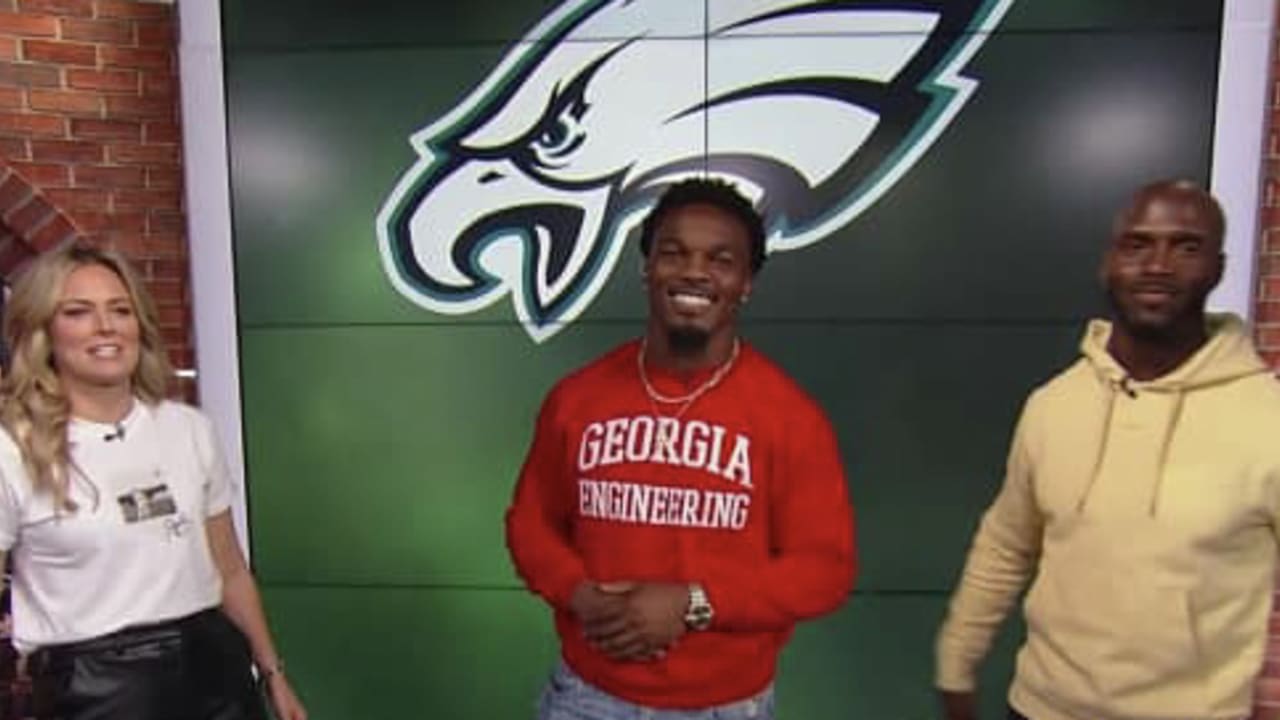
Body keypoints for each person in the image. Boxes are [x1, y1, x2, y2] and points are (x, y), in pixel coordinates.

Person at [506, 178, 856, 719]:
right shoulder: (577, 398)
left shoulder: (790, 417)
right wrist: (578, 594)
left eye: (720, 260)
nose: (695, 271)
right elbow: (530, 524)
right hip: (588, 697)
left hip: (725, 706)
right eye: (674, 253)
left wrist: (695, 602)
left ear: (745, 283)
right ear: (647, 269)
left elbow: (823, 570)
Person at [935, 180, 1280, 720]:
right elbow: (1006, 545)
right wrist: (955, 666)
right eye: (1138, 245)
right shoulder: (1054, 405)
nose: (1158, 265)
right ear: (1108, 263)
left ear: (1217, 268)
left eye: (1185, 247)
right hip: (1040, 709)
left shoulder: (1267, 418)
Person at [0, 244, 307, 720]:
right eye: (79, 312)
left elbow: (229, 570)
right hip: (94, 690)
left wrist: (273, 674)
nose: (106, 327)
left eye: (120, 311)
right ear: (44, 332)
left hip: (215, 671)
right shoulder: (12, 449)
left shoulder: (188, 429)